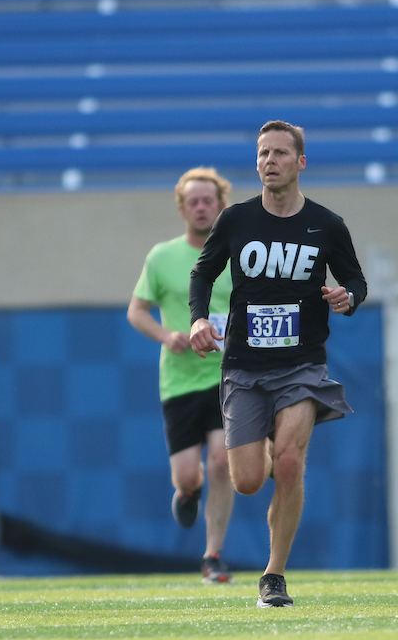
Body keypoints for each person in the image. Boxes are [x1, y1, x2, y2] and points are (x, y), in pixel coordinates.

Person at [188, 120, 367, 608]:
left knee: (289, 464)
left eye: (280, 153)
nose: (269, 161)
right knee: (247, 481)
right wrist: (199, 319)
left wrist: (346, 296)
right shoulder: (237, 220)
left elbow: (357, 282)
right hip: (244, 366)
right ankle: (265, 447)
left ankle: (274, 575)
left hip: (302, 365)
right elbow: (203, 272)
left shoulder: (327, 225)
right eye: (263, 153)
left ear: (300, 162)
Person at [128, 167, 237, 583]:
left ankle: (212, 556)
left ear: (220, 204)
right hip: (178, 380)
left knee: (222, 463)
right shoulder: (162, 256)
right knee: (191, 474)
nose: (201, 206)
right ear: (182, 207)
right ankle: (188, 491)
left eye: (208, 199)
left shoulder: (235, 254)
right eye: (193, 200)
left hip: (227, 376)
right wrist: (166, 335)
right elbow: (136, 310)